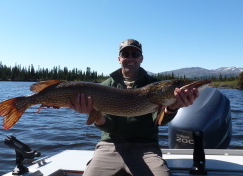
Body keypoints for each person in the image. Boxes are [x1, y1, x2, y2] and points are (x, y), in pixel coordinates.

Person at [67, 39, 199, 176]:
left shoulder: (154, 85)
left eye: (135, 54)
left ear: (141, 58)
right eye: (125, 54)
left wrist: (173, 107)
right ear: (119, 59)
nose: (130, 58)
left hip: (146, 148)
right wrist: (93, 113)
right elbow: (109, 126)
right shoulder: (105, 86)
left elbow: (159, 121)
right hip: (110, 146)